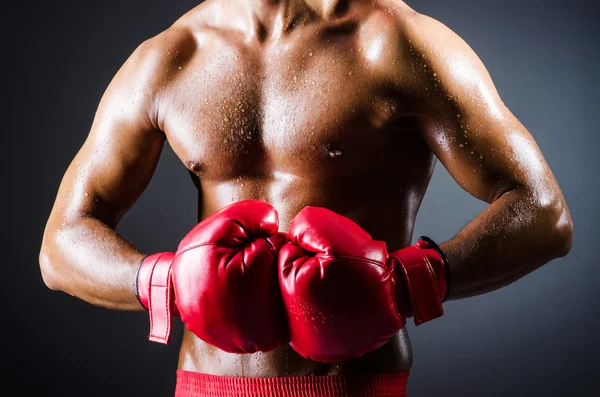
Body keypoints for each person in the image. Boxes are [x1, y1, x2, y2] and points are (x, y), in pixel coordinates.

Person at [39, 0, 573, 396]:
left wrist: (409, 283)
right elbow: (61, 245)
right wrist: (170, 283)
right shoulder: (171, 56)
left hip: (353, 386)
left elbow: (543, 211)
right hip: (204, 385)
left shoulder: (398, 43)